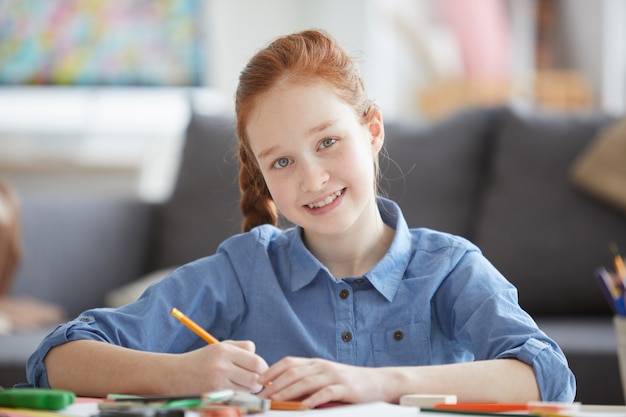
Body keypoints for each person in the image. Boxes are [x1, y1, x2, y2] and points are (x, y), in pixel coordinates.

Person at [27, 30, 575, 406]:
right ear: (261, 175)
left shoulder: (449, 269)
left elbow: (549, 379)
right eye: (282, 161)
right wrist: (180, 372)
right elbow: (56, 359)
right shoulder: (243, 270)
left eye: (328, 142)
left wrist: (375, 384)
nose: (312, 179)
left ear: (373, 131)